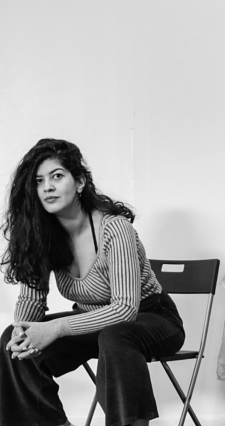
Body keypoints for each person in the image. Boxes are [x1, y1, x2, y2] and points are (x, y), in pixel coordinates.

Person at [0, 138, 185, 426]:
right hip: (93, 323)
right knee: (10, 340)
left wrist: (57, 327)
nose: (47, 186)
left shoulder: (114, 229)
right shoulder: (43, 236)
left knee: (115, 336)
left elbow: (125, 310)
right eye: (39, 181)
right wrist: (23, 333)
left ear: (80, 182)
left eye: (57, 176)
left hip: (153, 318)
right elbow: (31, 300)